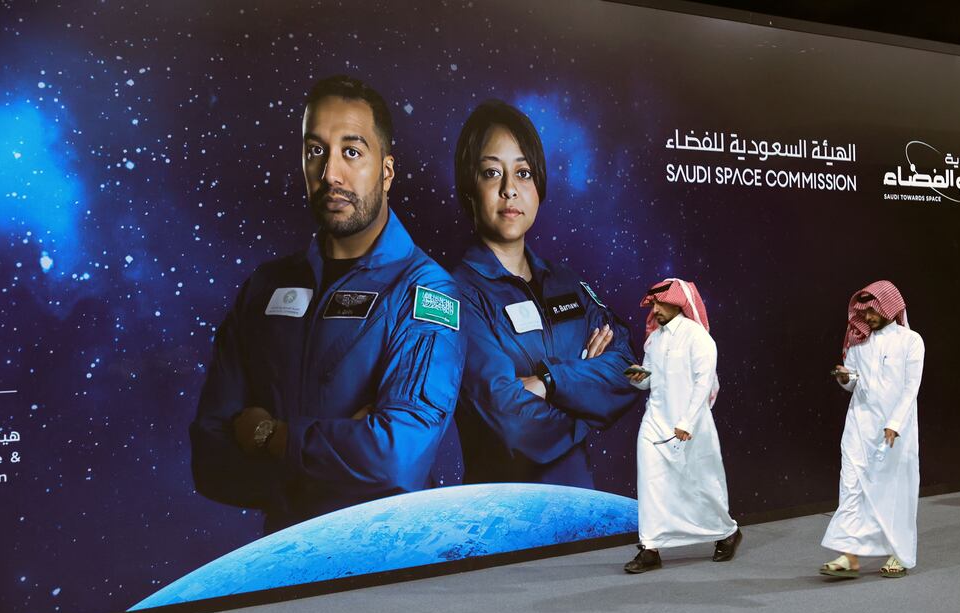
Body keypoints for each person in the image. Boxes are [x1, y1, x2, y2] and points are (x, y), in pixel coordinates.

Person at [190, 75, 465, 533]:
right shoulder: (264, 288)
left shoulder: (426, 292)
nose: (330, 173)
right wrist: (340, 451)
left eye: (352, 152)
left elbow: (396, 460)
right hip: (283, 561)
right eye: (316, 150)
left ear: (387, 171)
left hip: (387, 565)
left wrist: (270, 435)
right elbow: (209, 457)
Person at [450, 100, 640, 487]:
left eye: (523, 173)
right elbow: (512, 425)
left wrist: (548, 382)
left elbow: (634, 373)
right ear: (469, 189)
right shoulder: (456, 295)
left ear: (539, 187)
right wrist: (590, 398)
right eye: (491, 173)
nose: (509, 190)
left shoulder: (567, 282)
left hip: (579, 505)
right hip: (502, 518)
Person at [623, 278, 741, 573]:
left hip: (692, 423)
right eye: (653, 304)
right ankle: (649, 548)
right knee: (650, 484)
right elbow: (650, 381)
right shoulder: (655, 339)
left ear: (678, 303)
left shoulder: (696, 337)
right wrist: (638, 378)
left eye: (660, 303)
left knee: (702, 483)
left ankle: (727, 532)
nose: (655, 309)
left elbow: (703, 382)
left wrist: (687, 421)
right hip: (655, 421)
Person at [820, 280, 924, 579]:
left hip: (895, 431)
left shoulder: (911, 341)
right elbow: (855, 384)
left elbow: (910, 389)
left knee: (894, 490)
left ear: (890, 308)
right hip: (858, 425)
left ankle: (899, 554)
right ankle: (849, 556)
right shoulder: (858, 342)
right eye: (863, 311)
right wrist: (844, 378)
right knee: (851, 486)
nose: (866, 317)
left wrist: (894, 424)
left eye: (873, 310)